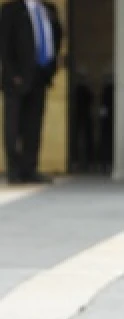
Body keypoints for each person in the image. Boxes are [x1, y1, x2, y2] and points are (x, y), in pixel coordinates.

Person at [0, 0, 63, 184]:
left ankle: (30, 169)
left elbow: (55, 36)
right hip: (17, 77)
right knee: (13, 126)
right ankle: (14, 170)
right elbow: (4, 45)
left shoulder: (47, 9)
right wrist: (12, 73)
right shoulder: (11, 10)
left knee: (33, 126)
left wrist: (52, 67)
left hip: (40, 75)